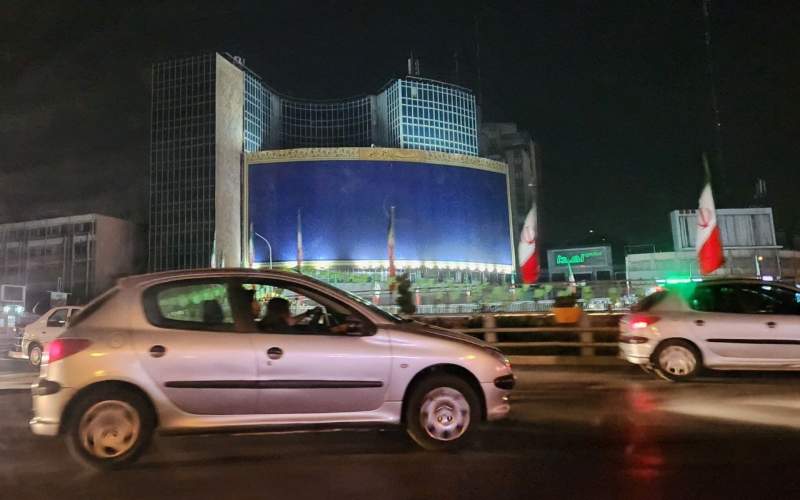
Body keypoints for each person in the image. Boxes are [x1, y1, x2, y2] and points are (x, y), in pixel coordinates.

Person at [260, 297, 349, 334]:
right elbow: (308, 336)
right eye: (288, 308)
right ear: (282, 311)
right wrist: (336, 329)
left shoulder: (272, 322)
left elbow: (292, 322)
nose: (290, 311)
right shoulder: (280, 327)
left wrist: (308, 314)